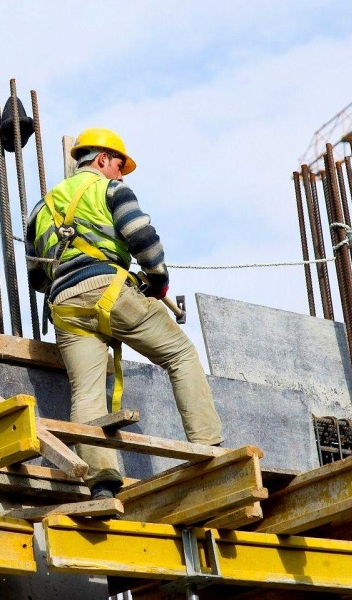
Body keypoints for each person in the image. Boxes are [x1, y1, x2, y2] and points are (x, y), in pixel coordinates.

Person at [25, 127, 223, 501]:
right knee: (180, 354)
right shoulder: (110, 190)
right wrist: (158, 281)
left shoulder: (40, 209)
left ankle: (101, 483)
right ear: (101, 160)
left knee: (86, 393)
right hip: (111, 292)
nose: (121, 173)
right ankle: (209, 445)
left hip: (65, 307)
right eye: (119, 165)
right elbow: (142, 238)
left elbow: (37, 276)